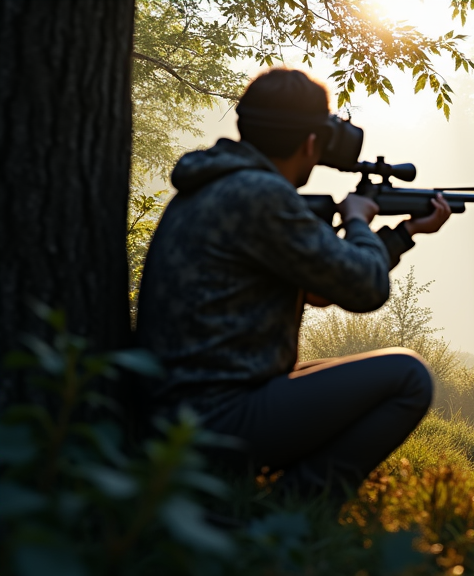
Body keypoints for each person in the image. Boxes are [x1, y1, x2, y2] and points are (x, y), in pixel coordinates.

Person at [135, 67, 451, 495]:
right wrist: (358, 221)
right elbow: (366, 288)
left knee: (336, 373)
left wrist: (403, 233)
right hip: (212, 422)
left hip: (177, 411)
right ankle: (294, 507)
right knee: (408, 376)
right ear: (310, 142)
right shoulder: (260, 195)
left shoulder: (215, 184)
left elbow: (322, 288)